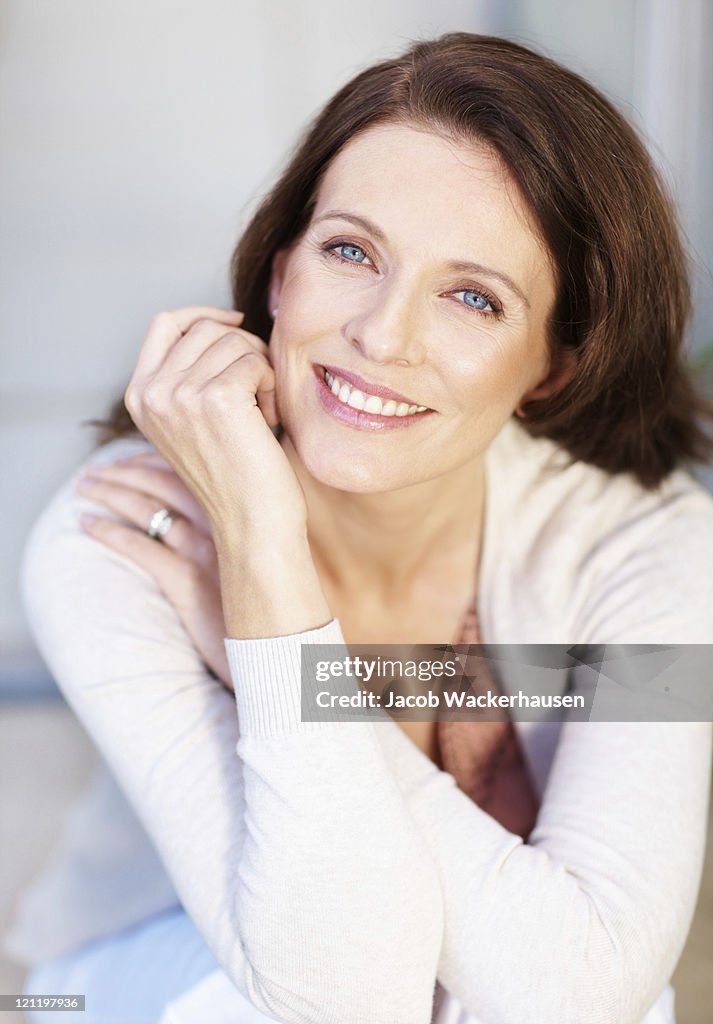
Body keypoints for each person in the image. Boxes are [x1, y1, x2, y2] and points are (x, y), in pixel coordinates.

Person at [9, 31, 713, 1024]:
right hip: (155, 974)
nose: (382, 335)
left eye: (472, 297)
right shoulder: (120, 534)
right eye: (350, 250)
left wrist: (274, 663)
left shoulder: (649, 544)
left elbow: (585, 984)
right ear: (278, 272)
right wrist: (259, 541)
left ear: (554, 363)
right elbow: (337, 994)